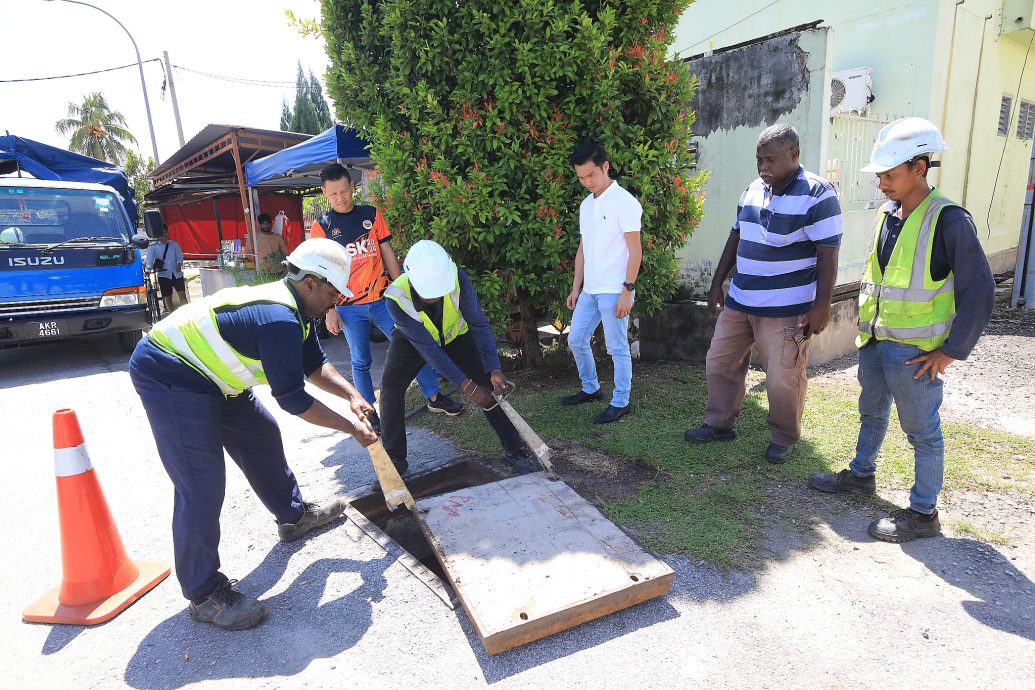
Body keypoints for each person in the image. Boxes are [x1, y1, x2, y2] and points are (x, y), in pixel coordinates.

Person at [129, 238, 379, 630]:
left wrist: (353, 396)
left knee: (260, 433)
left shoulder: (296, 311)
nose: (336, 302)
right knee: (201, 481)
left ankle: (294, 517)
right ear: (311, 283)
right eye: (333, 293)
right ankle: (203, 593)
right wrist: (350, 428)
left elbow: (313, 363)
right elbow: (294, 399)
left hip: (213, 377)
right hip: (170, 372)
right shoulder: (278, 318)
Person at [809, 117, 995, 542]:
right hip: (876, 342)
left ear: (920, 167)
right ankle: (861, 475)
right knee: (870, 413)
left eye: (890, 174)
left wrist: (951, 350)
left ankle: (924, 514)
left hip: (916, 354)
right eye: (880, 175)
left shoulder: (949, 220)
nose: (882, 183)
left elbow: (980, 289)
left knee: (922, 433)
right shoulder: (886, 214)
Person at [684, 124, 843, 463]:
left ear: (794, 155)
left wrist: (822, 305)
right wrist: (717, 283)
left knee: (782, 376)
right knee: (719, 362)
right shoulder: (753, 189)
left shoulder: (818, 194)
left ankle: (784, 437)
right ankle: (720, 424)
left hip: (787, 308)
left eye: (770, 160)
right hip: (741, 300)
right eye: (759, 160)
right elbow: (735, 237)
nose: (763, 168)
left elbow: (828, 254)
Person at [312, 164, 462, 427]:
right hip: (347, 307)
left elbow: (387, 251)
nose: (340, 198)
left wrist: (400, 286)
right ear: (325, 192)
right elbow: (319, 272)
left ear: (353, 187)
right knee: (360, 361)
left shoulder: (370, 214)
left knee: (414, 345)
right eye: (333, 194)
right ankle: (370, 412)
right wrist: (328, 310)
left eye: (344, 191)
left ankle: (435, 396)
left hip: (383, 302)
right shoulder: (321, 226)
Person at [379, 240, 538, 475]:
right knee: (390, 390)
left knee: (488, 387)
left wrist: (493, 368)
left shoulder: (457, 278)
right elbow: (429, 350)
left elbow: (478, 323)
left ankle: (514, 450)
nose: (435, 297)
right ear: (411, 279)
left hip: (456, 334)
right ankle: (395, 461)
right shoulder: (395, 297)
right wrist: (469, 389)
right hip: (412, 342)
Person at [560, 142, 642, 424]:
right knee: (576, 340)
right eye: (581, 177)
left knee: (616, 347)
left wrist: (627, 291)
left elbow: (636, 251)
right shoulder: (585, 205)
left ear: (606, 167)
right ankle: (591, 387)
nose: (587, 182)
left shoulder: (625, 203)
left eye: (591, 175)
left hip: (614, 289)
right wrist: (576, 287)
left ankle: (621, 401)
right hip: (590, 290)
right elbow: (583, 248)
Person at [145, 224, 187, 313]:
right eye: (162, 233)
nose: (164, 235)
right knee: (167, 298)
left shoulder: (174, 244)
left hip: (176, 273)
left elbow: (180, 256)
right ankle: (173, 316)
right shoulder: (153, 246)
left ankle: (187, 315)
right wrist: (148, 269)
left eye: (165, 232)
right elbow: (149, 259)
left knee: (182, 295)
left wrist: (179, 264)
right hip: (163, 275)